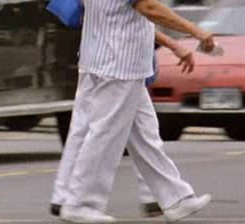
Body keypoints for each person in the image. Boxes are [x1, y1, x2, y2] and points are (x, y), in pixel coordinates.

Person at [57, 0, 216, 223]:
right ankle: (81, 203)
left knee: (144, 135)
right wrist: (195, 32)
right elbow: (147, 6)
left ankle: (175, 198)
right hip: (121, 64)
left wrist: (172, 45)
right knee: (105, 133)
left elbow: (116, 12)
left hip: (100, 58)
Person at [50, 30, 194, 218]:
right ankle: (76, 202)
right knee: (102, 132)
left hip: (111, 58)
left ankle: (167, 197)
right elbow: (142, 8)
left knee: (142, 132)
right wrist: (179, 42)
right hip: (117, 62)